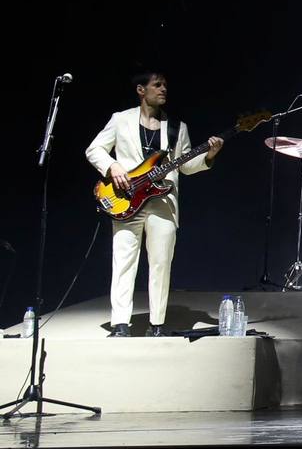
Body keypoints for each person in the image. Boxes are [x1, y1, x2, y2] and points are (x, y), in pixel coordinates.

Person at [85, 72, 222, 337]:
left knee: (161, 262)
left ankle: (156, 323)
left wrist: (209, 156)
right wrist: (113, 166)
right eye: (157, 85)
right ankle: (120, 324)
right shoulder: (120, 119)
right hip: (125, 199)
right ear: (141, 89)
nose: (163, 89)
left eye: (165, 86)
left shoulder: (176, 127)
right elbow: (94, 150)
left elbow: (186, 166)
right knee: (123, 261)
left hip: (163, 203)